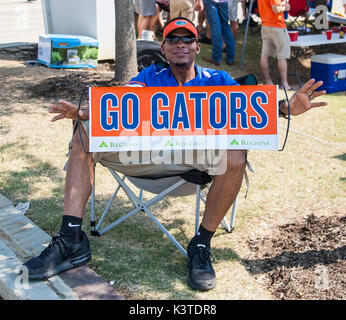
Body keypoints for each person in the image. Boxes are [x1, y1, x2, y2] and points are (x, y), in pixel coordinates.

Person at [22, 17, 328, 291]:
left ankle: (201, 245)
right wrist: (87, 113)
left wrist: (287, 109)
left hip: (194, 164)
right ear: (164, 48)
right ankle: (71, 239)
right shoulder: (149, 77)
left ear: (197, 46)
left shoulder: (217, 81)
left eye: (187, 39)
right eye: (173, 39)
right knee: (85, 133)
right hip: (143, 160)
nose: (180, 44)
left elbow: (252, 109)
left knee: (236, 153)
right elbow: (117, 107)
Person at [258, 0, 292, 90]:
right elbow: (276, 9)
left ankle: (268, 81)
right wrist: (286, 8)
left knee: (264, 54)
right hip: (277, 26)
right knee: (282, 55)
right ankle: (284, 83)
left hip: (265, 25)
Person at [202, 0, 236, 66]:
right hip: (224, 1)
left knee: (215, 27)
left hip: (211, 1)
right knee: (225, 27)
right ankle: (230, 58)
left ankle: (216, 58)